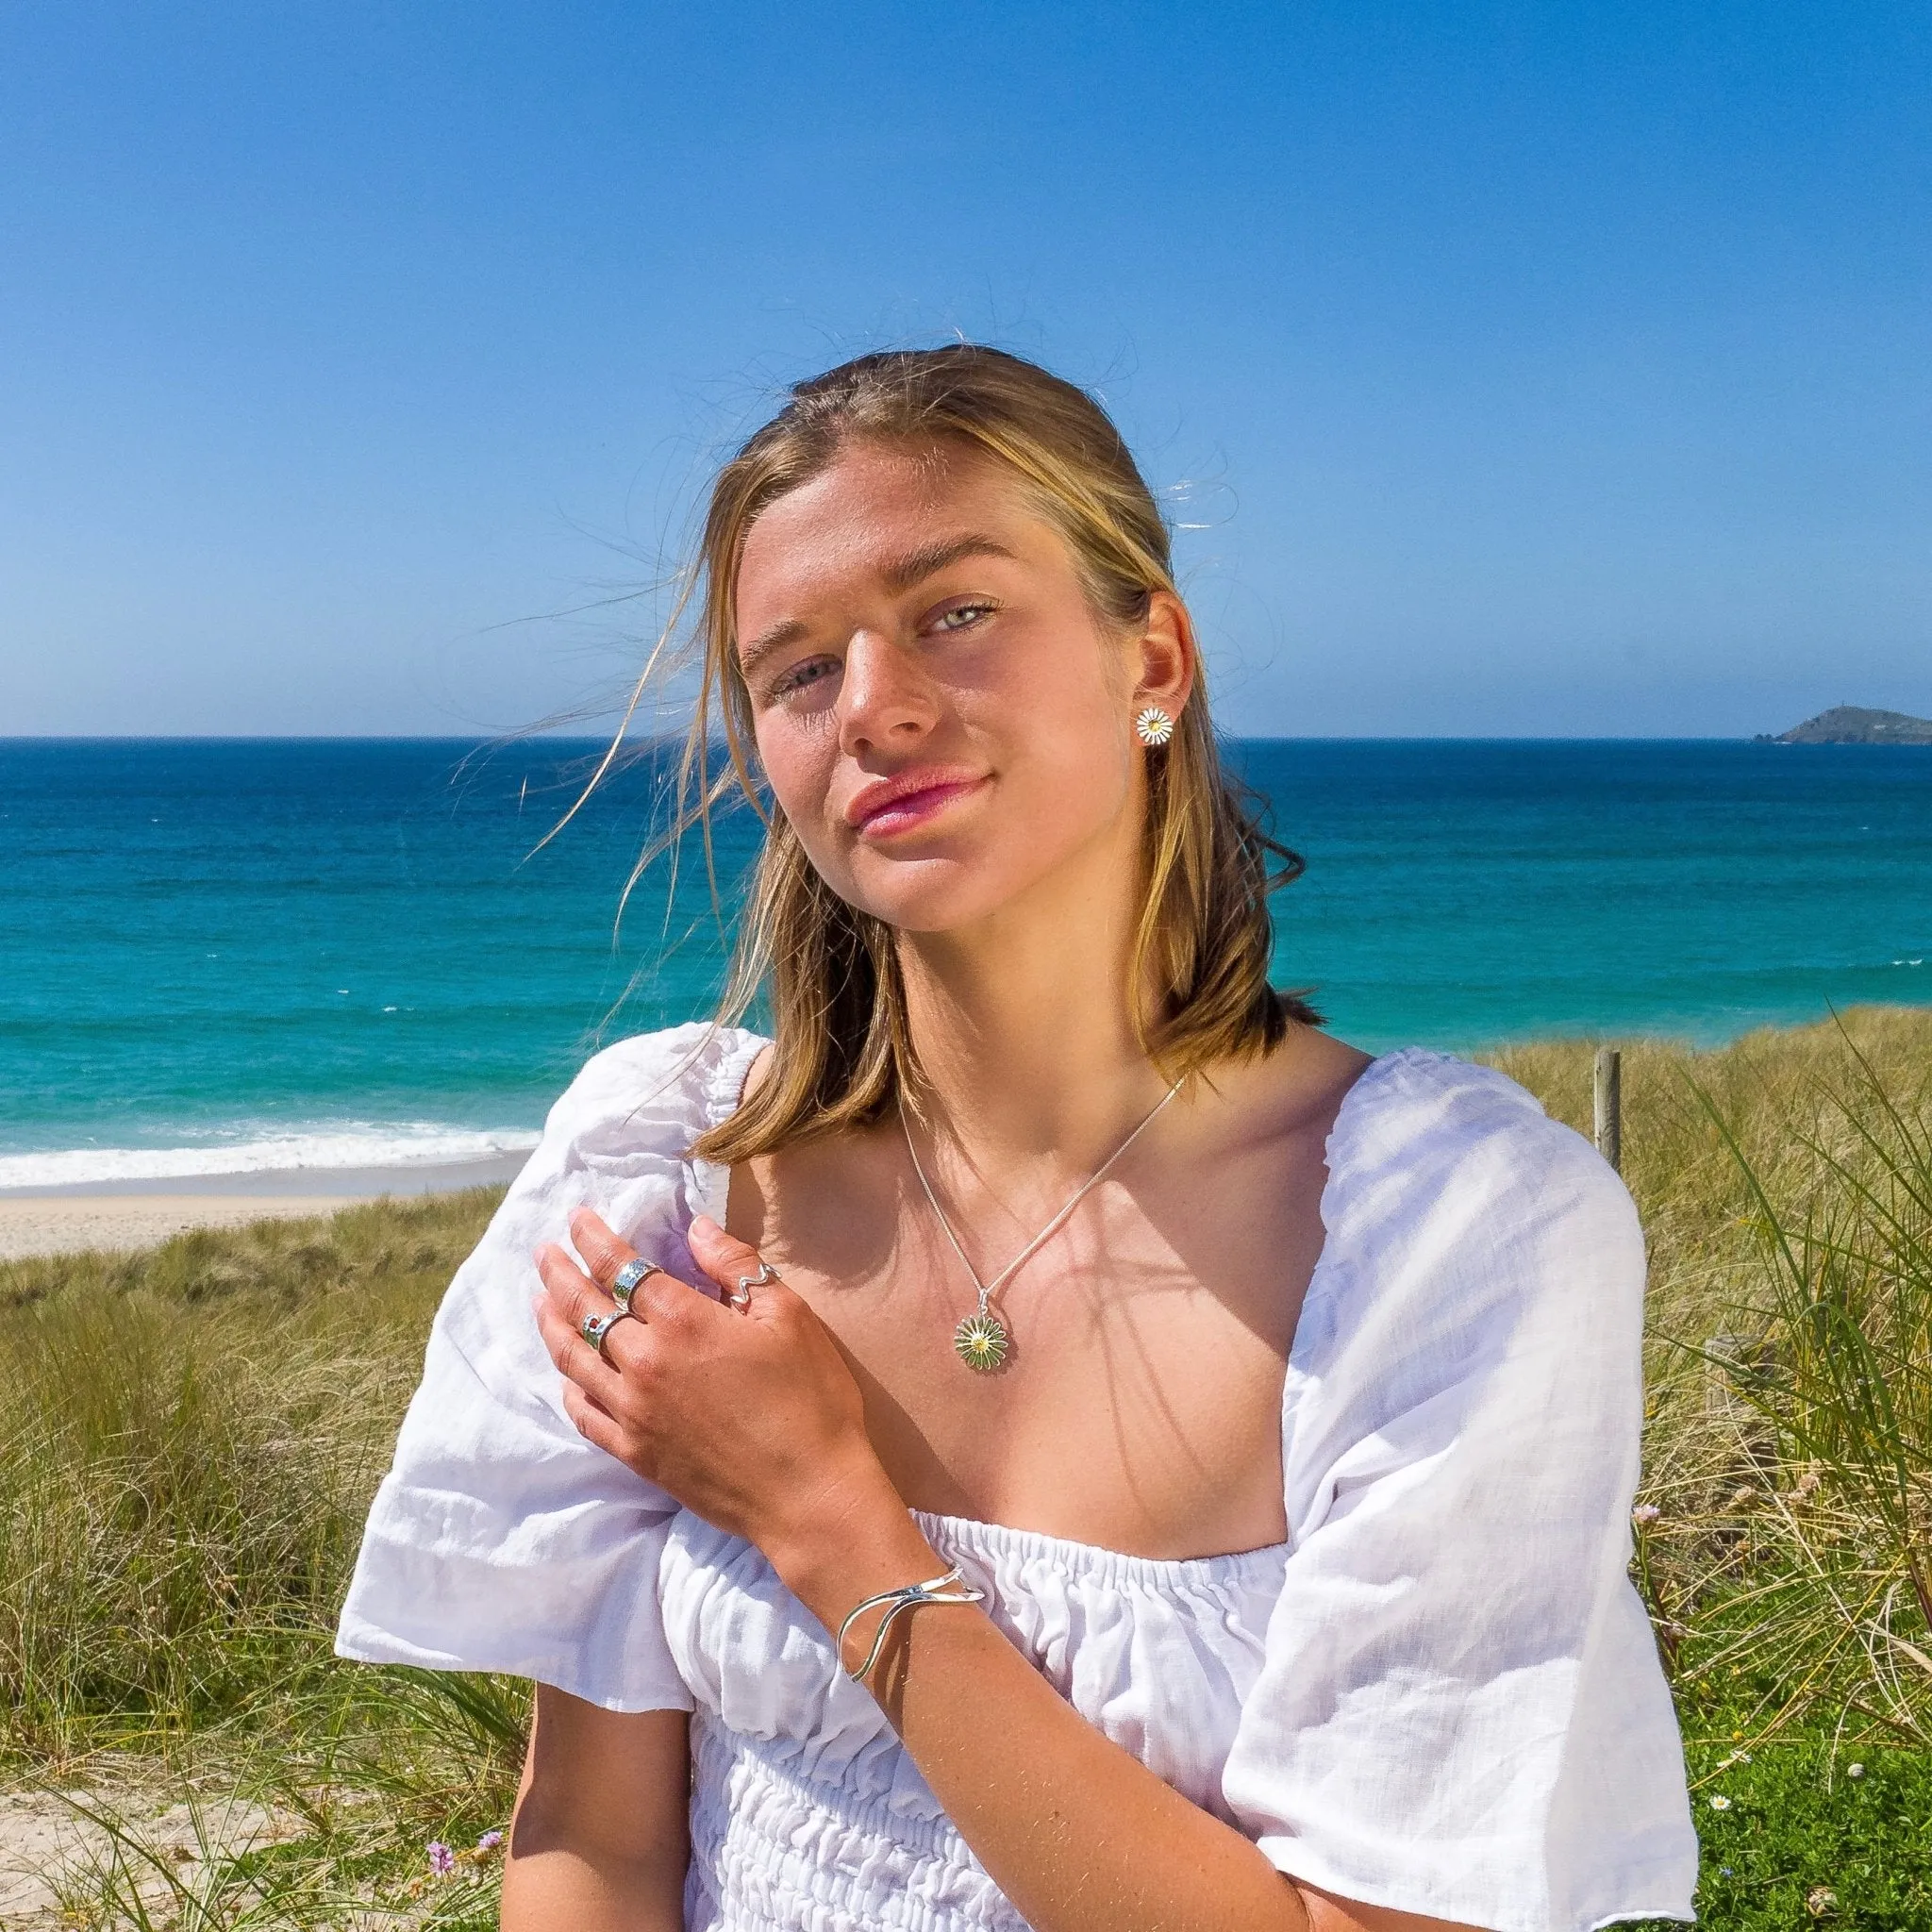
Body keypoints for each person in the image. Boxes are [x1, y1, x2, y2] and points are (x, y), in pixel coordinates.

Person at [336, 345, 1697, 1932]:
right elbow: (593, 1840)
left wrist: (830, 1525)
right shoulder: (668, 1179)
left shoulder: (1454, 1237)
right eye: (794, 673)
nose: (876, 708)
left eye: (956, 614)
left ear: (1155, 662)